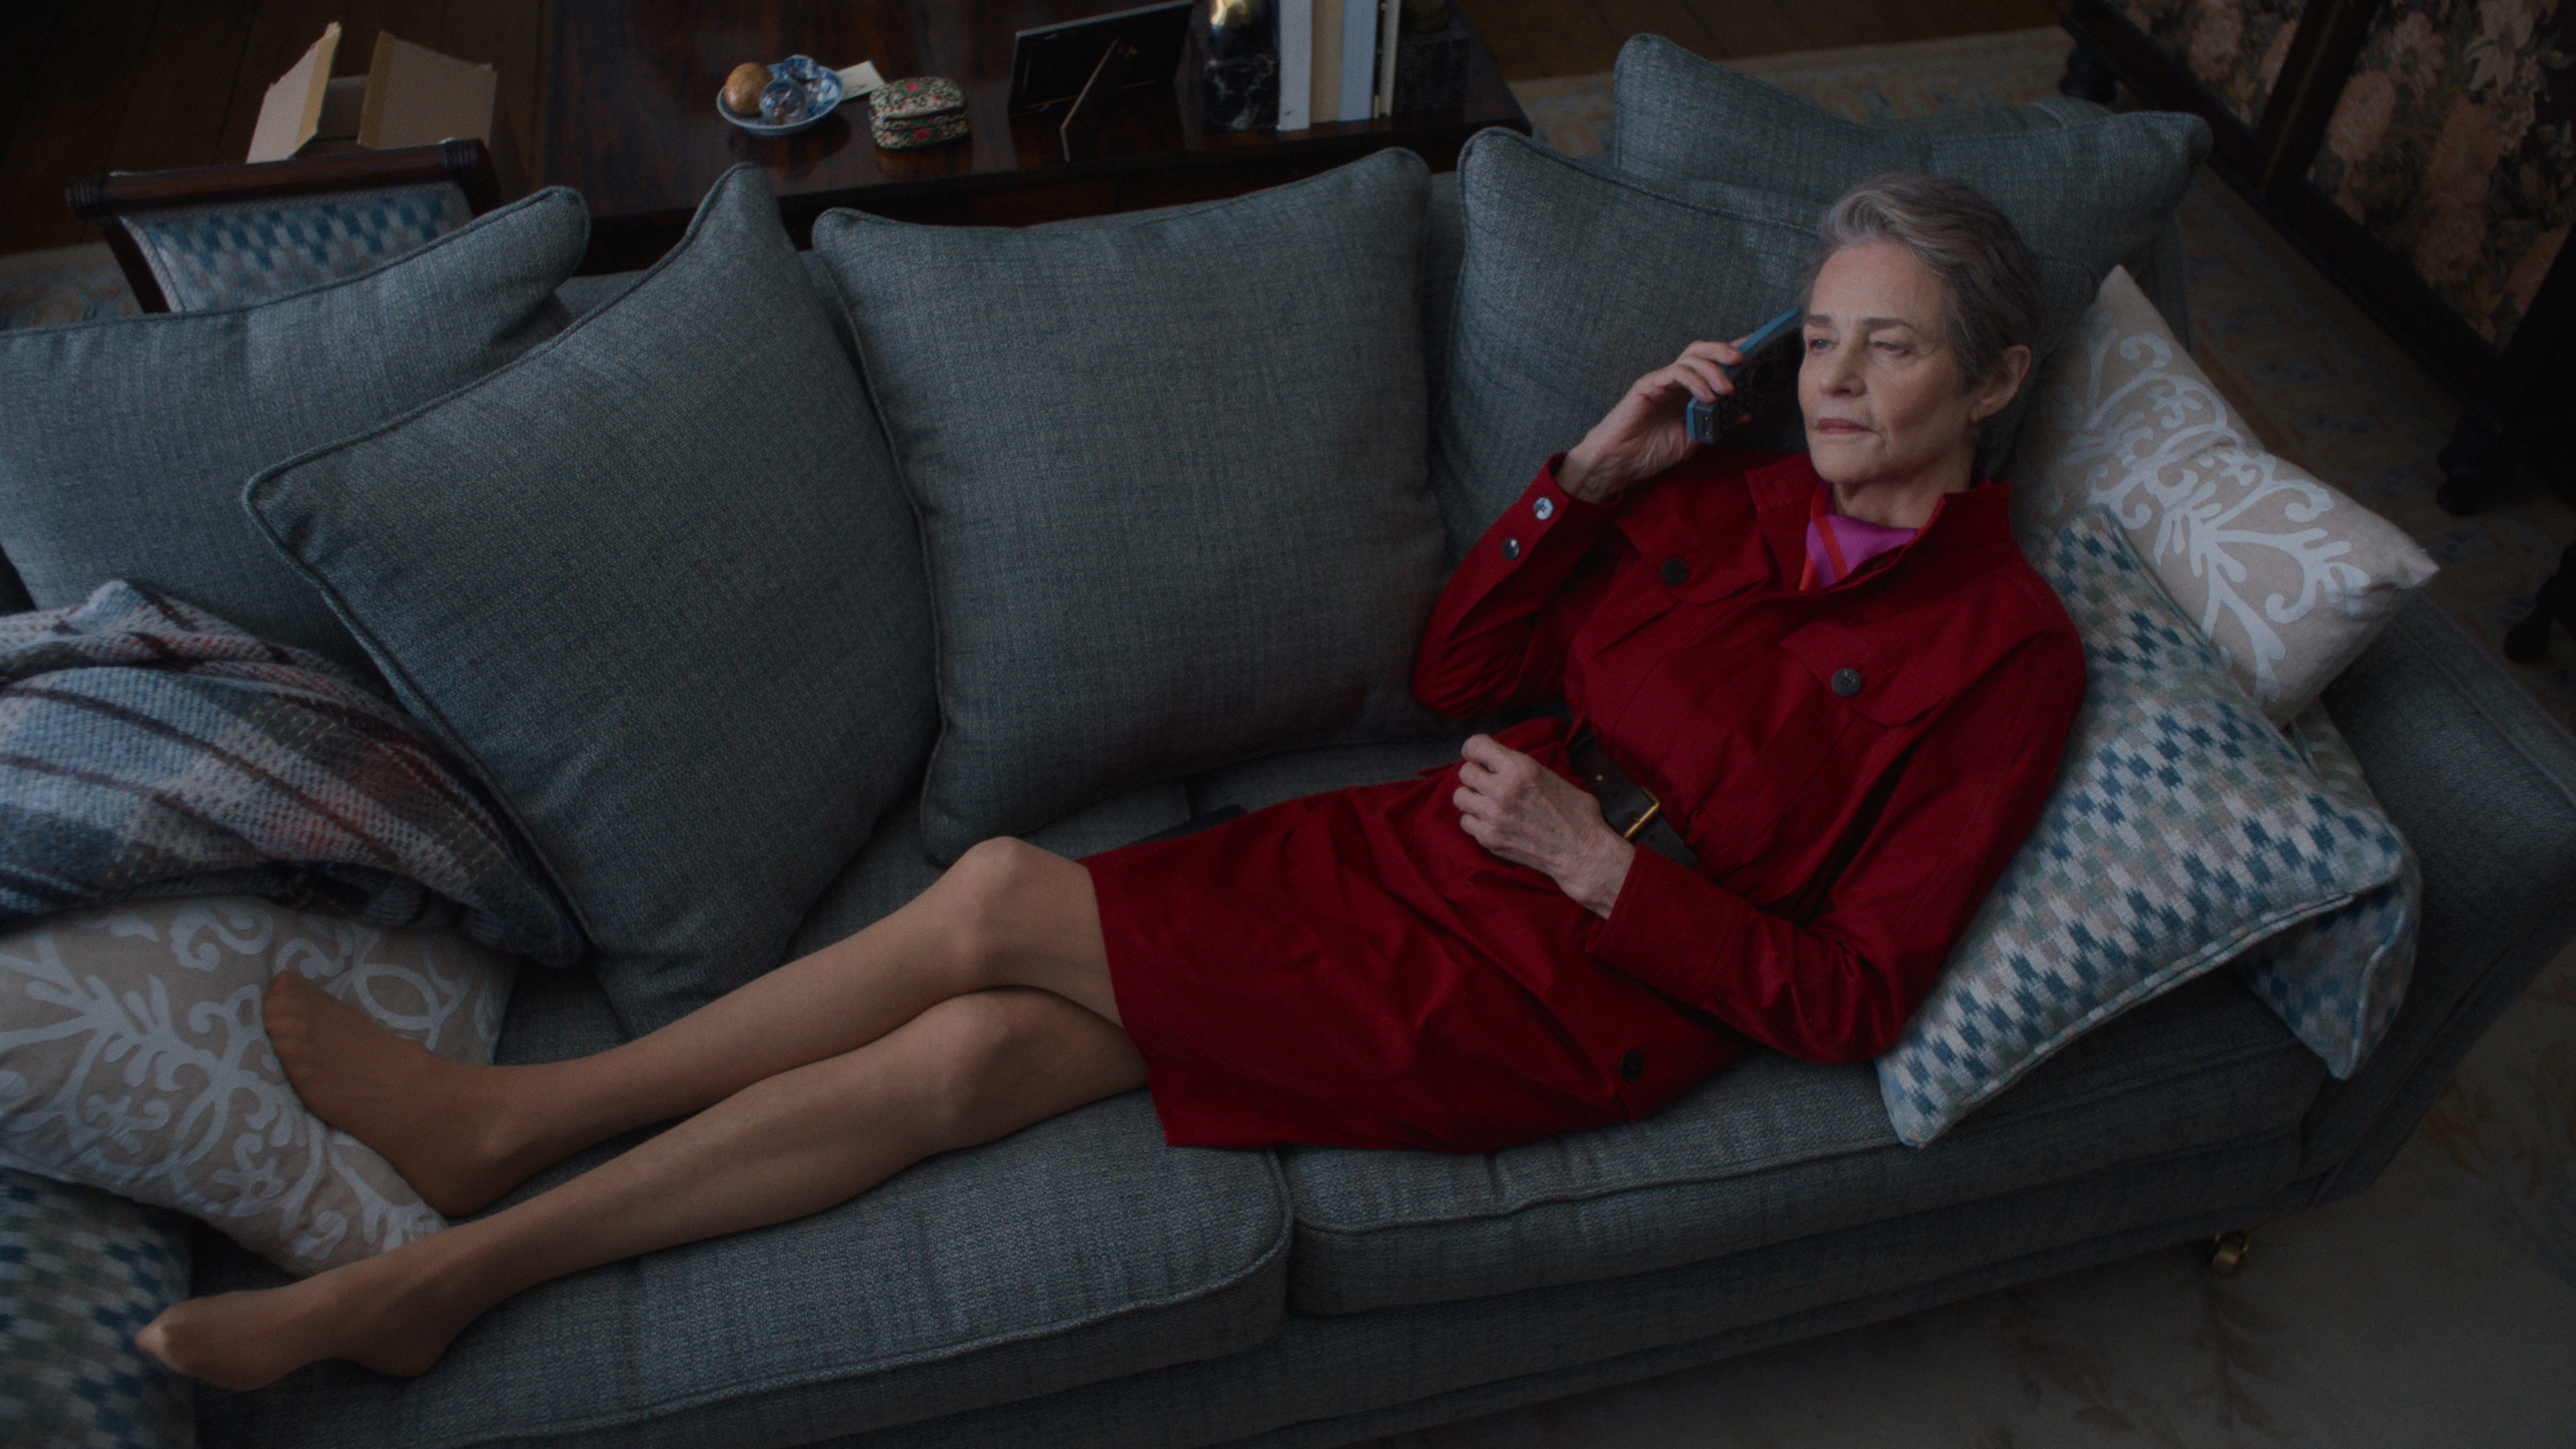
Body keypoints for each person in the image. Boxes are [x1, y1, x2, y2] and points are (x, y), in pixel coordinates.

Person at [136, 172, 2085, 1389]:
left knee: (997, 896)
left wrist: (1595, 867)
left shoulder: (2006, 661)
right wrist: (1589, 475)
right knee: (969, 1061)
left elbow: (1855, 995)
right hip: (1429, 852)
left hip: (1564, 991)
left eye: (1891, 354)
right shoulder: (1729, 504)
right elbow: (1456, 678)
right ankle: (461, 1267)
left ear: (1994, 382)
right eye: (1821, 344)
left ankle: (508, 1127)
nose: (1834, 386)